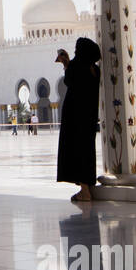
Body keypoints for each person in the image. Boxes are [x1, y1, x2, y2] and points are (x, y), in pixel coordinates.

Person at [56, 37, 102, 203]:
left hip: (75, 117)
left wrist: (65, 63)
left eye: (76, 51)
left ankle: (84, 191)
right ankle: (87, 187)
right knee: (87, 151)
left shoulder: (77, 66)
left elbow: (70, 80)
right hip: (88, 118)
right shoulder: (95, 69)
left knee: (77, 151)